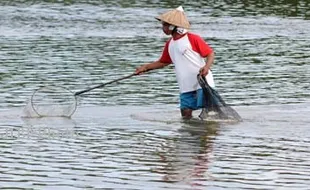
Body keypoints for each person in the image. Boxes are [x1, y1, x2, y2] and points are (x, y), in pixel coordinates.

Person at [135, 6, 215, 119]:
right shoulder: (170, 44)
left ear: (173, 26)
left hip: (202, 81)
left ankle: (208, 135)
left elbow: (210, 54)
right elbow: (163, 62)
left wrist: (206, 67)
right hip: (185, 85)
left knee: (209, 114)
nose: (163, 28)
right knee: (185, 115)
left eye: (165, 25)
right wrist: (145, 67)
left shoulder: (192, 39)